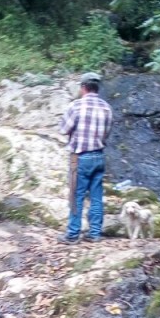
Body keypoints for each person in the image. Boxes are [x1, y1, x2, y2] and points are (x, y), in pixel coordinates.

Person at [59, 71, 113, 244]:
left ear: (83, 87)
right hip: (99, 156)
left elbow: (64, 129)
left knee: (77, 195)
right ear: (97, 88)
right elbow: (106, 134)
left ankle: (73, 234)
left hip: (80, 156)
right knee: (96, 196)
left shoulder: (75, 106)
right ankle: (95, 233)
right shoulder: (107, 108)